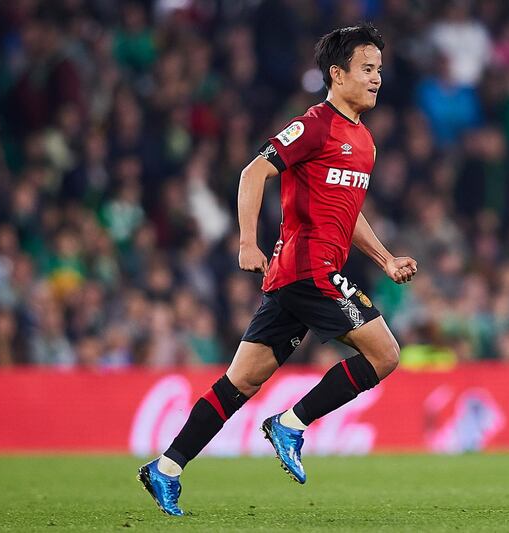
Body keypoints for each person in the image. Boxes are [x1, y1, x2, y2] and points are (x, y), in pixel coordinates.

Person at [138, 23, 417, 516]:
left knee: (240, 381)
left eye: (379, 70)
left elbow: (348, 213)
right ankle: (290, 423)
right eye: (367, 69)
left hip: (300, 277)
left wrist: (385, 258)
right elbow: (253, 171)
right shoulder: (313, 125)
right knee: (385, 354)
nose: (376, 79)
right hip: (310, 269)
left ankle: (166, 467)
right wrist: (247, 240)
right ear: (338, 73)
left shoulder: (365, 142)